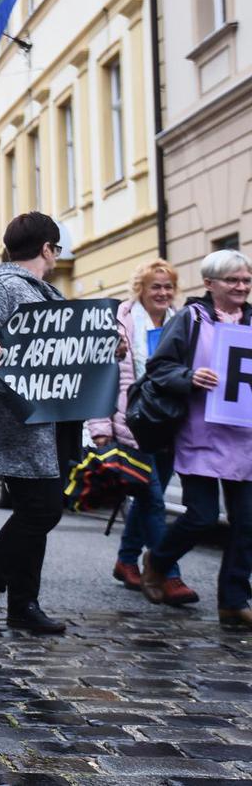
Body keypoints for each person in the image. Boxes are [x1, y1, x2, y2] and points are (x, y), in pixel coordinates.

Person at [0, 212, 70, 636]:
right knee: (42, 509)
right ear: (47, 249)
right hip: (20, 419)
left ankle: (24, 605)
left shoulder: (47, 293)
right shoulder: (7, 288)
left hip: (48, 418)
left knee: (34, 510)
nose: (56, 256)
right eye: (55, 248)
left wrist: (105, 346)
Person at [141, 249, 252, 628]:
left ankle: (234, 601)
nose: (241, 287)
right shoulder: (192, 318)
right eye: (232, 281)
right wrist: (190, 377)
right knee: (202, 516)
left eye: (246, 280)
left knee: (247, 522)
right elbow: (159, 368)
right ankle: (157, 561)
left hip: (245, 437)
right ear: (210, 284)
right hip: (199, 433)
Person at [88, 259, 196, 603]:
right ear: (141, 290)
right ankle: (166, 574)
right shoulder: (120, 324)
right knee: (153, 500)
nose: (163, 293)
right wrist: (101, 429)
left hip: (167, 426)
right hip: (130, 425)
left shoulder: (183, 324)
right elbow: (99, 377)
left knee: (148, 497)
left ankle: (125, 560)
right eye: (155, 286)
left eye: (167, 287)